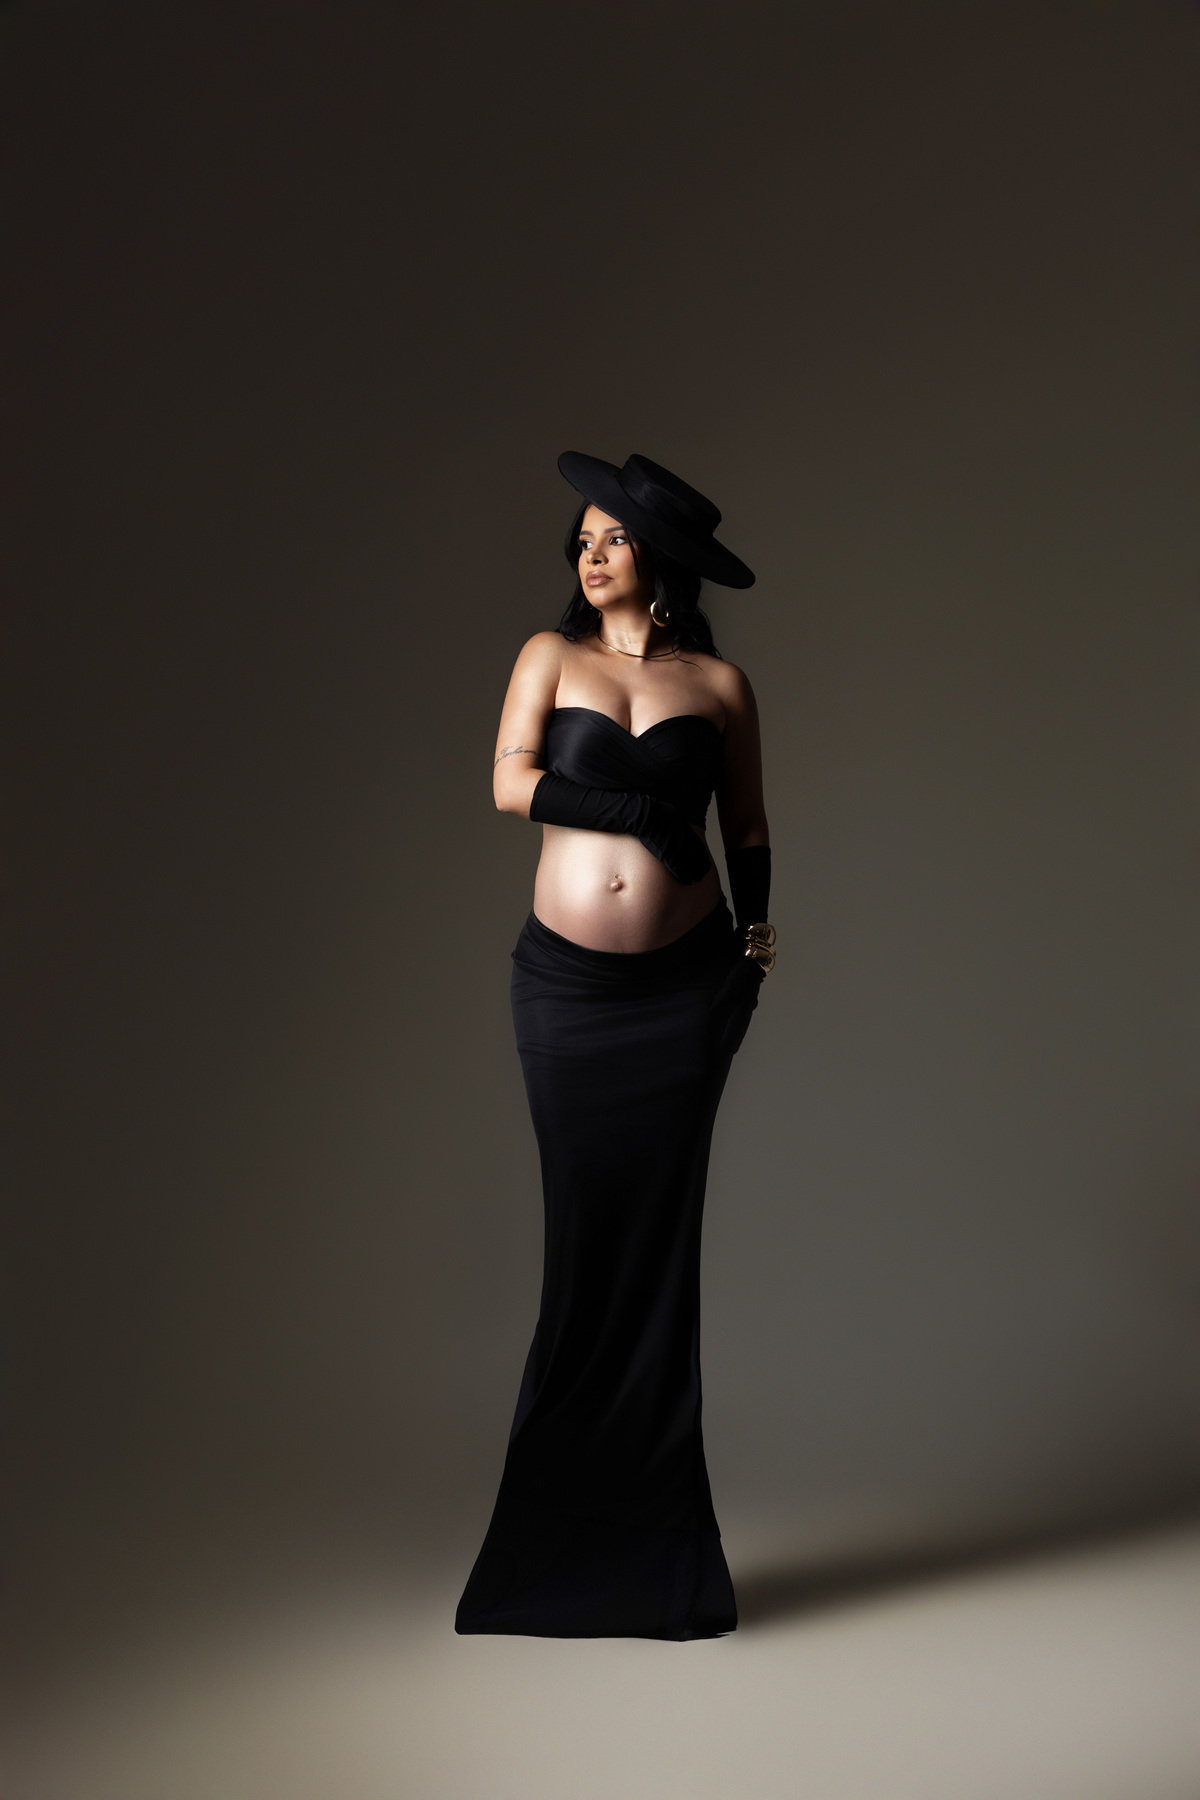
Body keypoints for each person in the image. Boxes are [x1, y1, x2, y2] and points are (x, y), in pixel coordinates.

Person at [455, 451, 774, 1640]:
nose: (590, 555)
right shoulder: (550, 657)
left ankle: (658, 1566)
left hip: (685, 995)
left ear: (664, 559)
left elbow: (748, 826)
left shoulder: (722, 684)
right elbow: (510, 783)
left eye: (614, 538)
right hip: (571, 995)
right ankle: (548, 1563)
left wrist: (752, 956)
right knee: (586, 1247)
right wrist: (637, 811)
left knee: (660, 1254)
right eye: (582, 539)